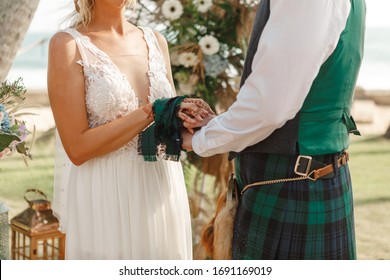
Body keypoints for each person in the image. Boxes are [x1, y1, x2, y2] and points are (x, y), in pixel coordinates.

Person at [182, 0, 366, 259]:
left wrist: (200, 139)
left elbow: (269, 107)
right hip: (313, 178)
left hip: (291, 187)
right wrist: (217, 124)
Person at [47, 0, 213, 260]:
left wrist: (206, 127)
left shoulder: (156, 41)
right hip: (106, 194)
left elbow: (167, 131)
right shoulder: (68, 45)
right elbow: (77, 149)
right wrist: (153, 110)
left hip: (162, 188)